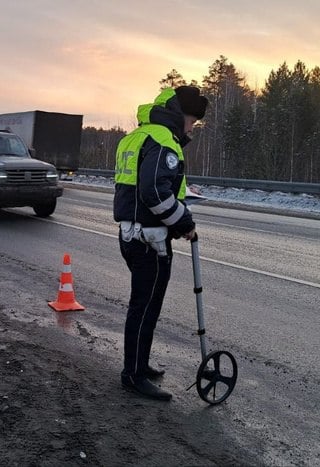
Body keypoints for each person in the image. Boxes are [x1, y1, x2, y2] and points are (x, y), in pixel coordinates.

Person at [113, 86, 208, 401]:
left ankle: (139, 364)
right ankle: (134, 375)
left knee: (146, 306)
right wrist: (185, 223)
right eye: (192, 120)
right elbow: (154, 191)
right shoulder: (164, 141)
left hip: (132, 233)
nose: (192, 127)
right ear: (180, 115)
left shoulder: (136, 137)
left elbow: (144, 188)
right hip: (150, 240)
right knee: (144, 308)